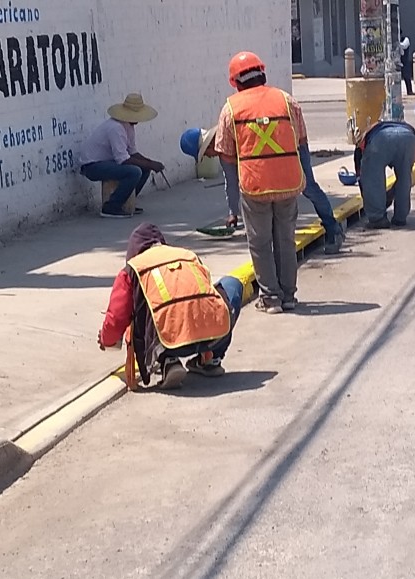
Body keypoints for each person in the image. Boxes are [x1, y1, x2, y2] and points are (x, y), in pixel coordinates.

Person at [214, 51, 307, 314]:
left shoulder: (230, 108)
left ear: (236, 82)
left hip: (254, 186)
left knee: (260, 242)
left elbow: (227, 161)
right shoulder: (286, 100)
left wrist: (232, 209)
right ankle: (288, 296)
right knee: (285, 240)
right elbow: (301, 142)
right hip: (289, 183)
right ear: (263, 74)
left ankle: (270, 298)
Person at [97, 223, 244, 390]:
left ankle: (169, 360)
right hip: (212, 335)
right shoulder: (188, 256)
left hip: (169, 340)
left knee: (153, 309)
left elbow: (117, 317)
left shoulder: (133, 269)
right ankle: (211, 359)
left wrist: (105, 339)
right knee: (232, 284)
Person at [180, 127, 345, 255]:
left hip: (289, 144)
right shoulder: (224, 153)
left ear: (209, 144)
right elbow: (232, 182)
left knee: (308, 188)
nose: (209, 157)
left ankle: (333, 229)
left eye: (206, 153)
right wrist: (233, 212)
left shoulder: (231, 131)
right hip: (273, 154)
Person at [79, 93, 166, 218]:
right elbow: (123, 159)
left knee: (144, 169)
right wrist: (151, 164)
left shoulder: (128, 127)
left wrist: (150, 163)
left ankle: (126, 201)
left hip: (107, 162)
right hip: (92, 166)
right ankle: (111, 207)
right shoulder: (116, 128)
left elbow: (133, 152)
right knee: (134, 172)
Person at [351, 120, 415, 229]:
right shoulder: (388, 125)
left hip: (381, 138)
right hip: (409, 136)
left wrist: (365, 190)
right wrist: (392, 192)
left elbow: (363, 176)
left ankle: (377, 218)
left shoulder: (362, 144)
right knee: (404, 177)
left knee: (373, 178)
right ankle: (401, 217)